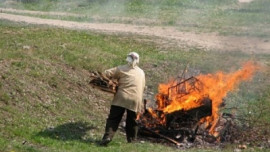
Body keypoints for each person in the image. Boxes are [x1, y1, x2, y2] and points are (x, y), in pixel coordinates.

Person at [100, 52, 145, 146]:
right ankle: (131, 141)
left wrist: (112, 81)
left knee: (114, 118)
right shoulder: (141, 72)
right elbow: (142, 87)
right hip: (136, 100)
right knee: (132, 121)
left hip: (121, 97)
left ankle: (108, 137)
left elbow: (105, 73)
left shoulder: (121, 69)